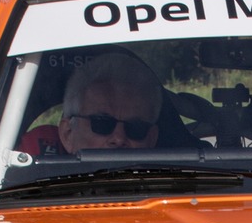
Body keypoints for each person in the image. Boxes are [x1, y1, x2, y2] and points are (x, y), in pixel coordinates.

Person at [20, 49, 178, 157]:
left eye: (136, 128)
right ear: (68, 133)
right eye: (102, 124)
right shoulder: (26, 193)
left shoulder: (182, 194)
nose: (119, 138)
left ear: (151, 138)